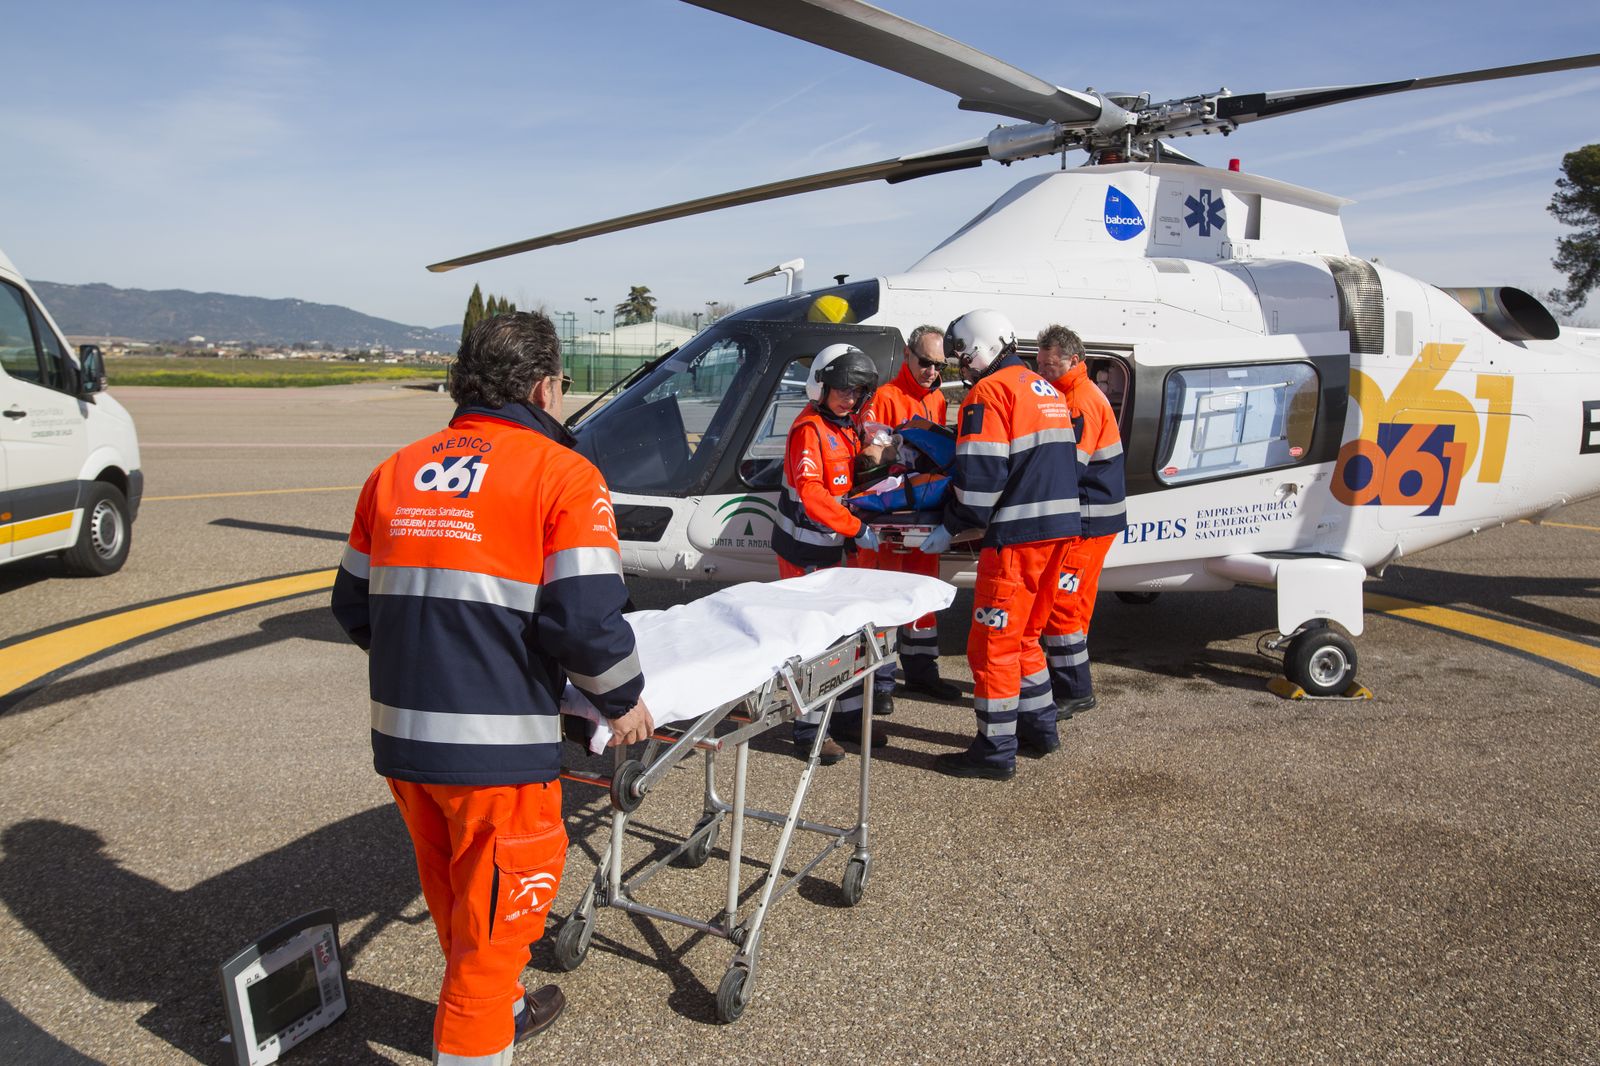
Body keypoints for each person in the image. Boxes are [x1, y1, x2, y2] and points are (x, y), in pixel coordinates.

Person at [331, 313, 654, 1066]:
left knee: (459, 900)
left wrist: (435, 660)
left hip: (405, 746)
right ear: (545, 388)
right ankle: (479, 1031)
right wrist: (623, 699)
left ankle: (504, 1006)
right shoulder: (562, 474)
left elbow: (353, 606)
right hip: (496, 755)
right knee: (495, 934)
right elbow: (584, 620)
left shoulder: (395, 471)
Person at [920, 309, 1080, 781]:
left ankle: (994, 751)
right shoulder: (1043, 388)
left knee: (992, 647)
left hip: (1019, 539)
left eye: (961, 357)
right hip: (1059, 533)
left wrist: (952, 525)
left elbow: (981, 480)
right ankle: (1040, 729)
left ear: (979, 349)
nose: (961, 367)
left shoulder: (989, 393)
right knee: (1027, 638)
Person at [773, 342, 886, 764]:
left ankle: (849, 719)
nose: (850, 398)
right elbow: (813, 494)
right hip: (806, 551)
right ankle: (809, 732)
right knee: (814, 642)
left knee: (848, 634)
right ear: (821, 386)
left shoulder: (846, 426)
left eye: (857, 391)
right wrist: (857, 527)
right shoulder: (810, 430)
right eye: (842, 389)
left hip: (835, 549)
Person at [856, 324, 962, 703]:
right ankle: (881, 682)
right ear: (907, 355)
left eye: (939, 366)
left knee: (922, 594)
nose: (932, 371)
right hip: (891, 518)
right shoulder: (885, 397)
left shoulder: (936, 399)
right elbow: (870, 458)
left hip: (923, 512)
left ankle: (921, 672)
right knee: (885, 597)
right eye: (925, 362)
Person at [1036, 326, 1127, 718]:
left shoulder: (1078, 402)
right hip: (1094, 515)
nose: (1042, 371)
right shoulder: (1074, 394)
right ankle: (1067, 678)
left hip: (1087, 517)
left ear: (1073, 361)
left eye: (1049, 364)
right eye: (1039, 363)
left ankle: (1074, 689)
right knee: (1076, 603)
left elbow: (1068, 467)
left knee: (1061, 602)